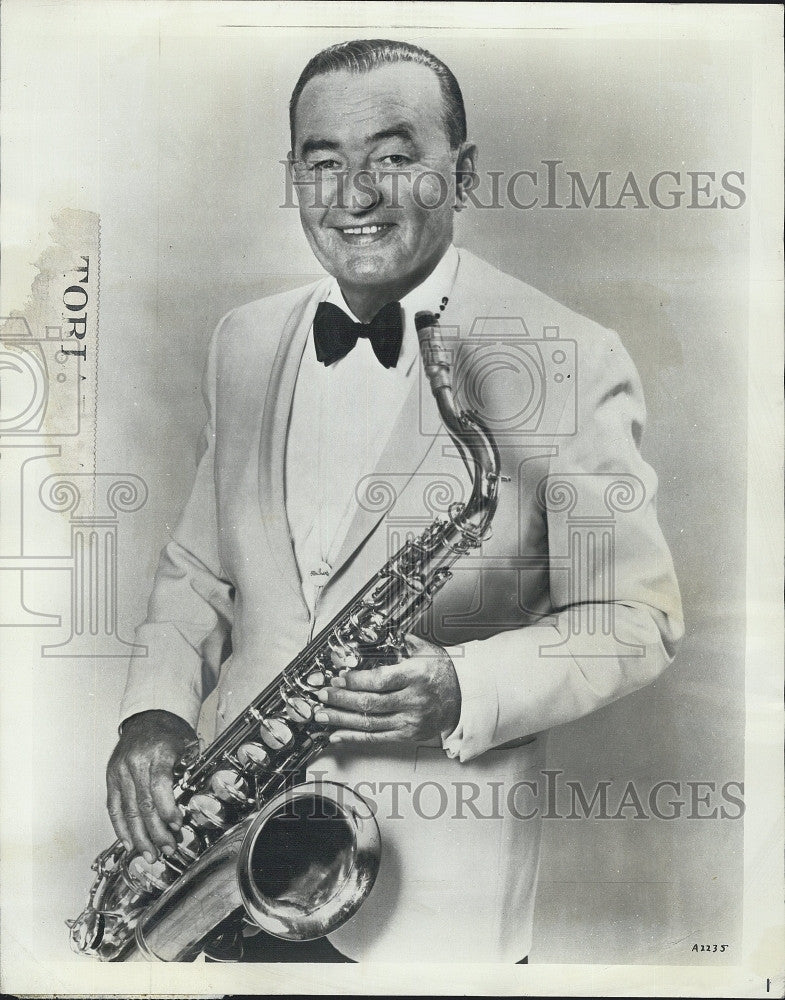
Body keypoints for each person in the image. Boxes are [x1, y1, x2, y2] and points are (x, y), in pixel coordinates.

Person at [106, 39, 684, 964]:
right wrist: (154, 713)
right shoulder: (246, 341)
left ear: (463, 171)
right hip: (222, 860)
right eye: (323, 163)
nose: (354, 196)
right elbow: (198, 571)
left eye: (393, 157)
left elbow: (637, 617)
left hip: (429, 899)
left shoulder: (570, 357)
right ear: (292, 177)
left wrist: (465, 687)